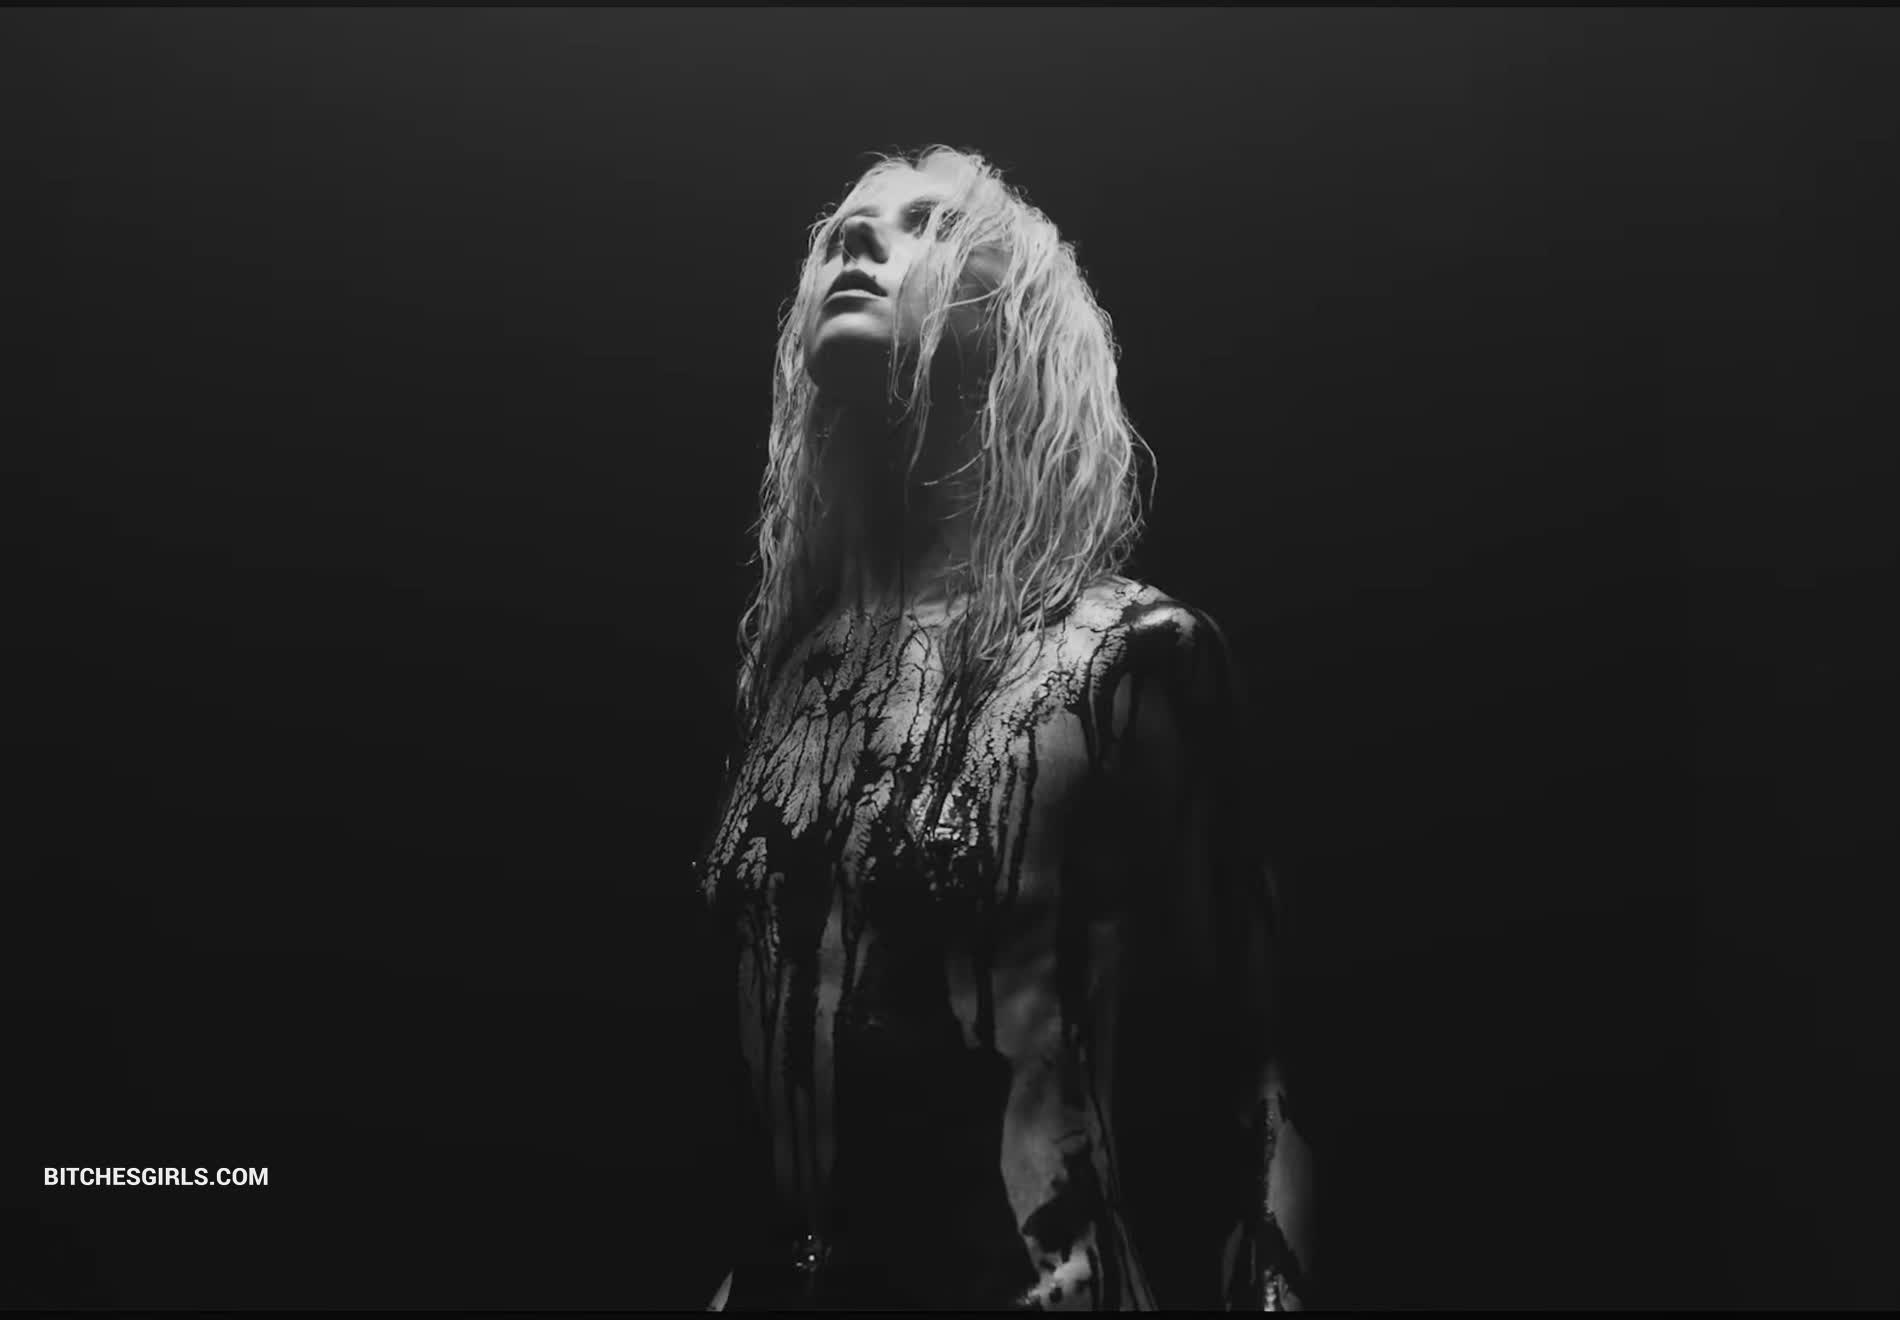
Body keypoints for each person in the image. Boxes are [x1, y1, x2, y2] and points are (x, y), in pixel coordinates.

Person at [692, 145, 1315, 1310]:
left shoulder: (1129, 656)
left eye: (926, 223)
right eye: (842, 229)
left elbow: (1257, 1068)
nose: (856, 240)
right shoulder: (794, 675)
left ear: (1010, 318)